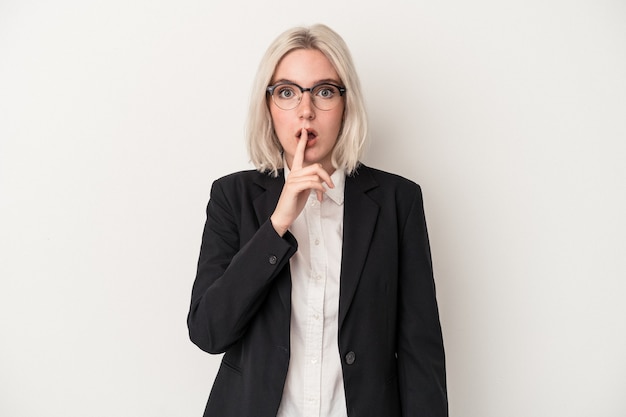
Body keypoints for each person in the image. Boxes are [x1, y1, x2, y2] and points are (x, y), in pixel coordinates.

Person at [187, 24, 448, 417]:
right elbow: (209, 331)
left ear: (346, 104)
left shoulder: (398, 201)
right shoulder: (232, 197)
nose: (306, 110)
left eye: (324, 91)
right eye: (287, 92)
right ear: (269, 106)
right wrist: (277, 224)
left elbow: (420, 352)